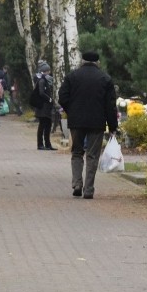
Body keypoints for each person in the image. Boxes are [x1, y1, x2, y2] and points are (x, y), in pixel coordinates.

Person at [58, 51, 117, 199]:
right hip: (97, 122)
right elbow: (110, 105)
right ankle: (89, 189)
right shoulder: (105, 78)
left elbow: (62, 97)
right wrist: (113, 126)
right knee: (92, 155)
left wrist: (71, 111)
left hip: (76, 121)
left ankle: (77, 184)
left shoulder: (72, 76)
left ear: (82, 61)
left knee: (77, 152)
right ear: (98, 62)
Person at [32, 61, 56, 150]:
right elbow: (41, 93)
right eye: (48, 70)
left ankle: (48, 144)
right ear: (44, 71)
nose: (49, 72)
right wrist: (49, 99)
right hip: (43, 107)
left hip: (46, 107)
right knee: (42, 125)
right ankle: (40, 144)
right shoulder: (42, 80)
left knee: (48, 125)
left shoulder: (45, 80)